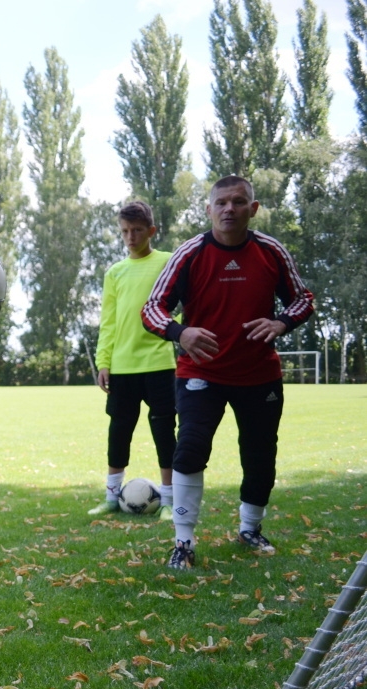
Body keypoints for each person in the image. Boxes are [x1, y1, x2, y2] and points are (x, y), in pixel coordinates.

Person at [142, 175, 314, 570]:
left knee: (259, 454)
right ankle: (183, 542)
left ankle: (250, 528)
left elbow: (303, 299)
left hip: (259, 374)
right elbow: (152, 308)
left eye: (238, 202)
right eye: (221, 202)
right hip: (201, 372)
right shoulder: (189, 253)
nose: (229, 209)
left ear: (253, 209)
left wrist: (281, 322)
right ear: (209, 209)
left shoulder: (271, 251)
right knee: (190, 448)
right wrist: (180, 332)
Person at [89, 201, 176, 520]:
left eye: (137, 230)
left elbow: (183, 306)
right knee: (119, 432)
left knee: (165, 432)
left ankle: (169, 501)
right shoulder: (115, 272)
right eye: (125, 231)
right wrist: (103, 362)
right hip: (122, 367)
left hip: (159, 363)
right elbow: (108, 321)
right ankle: (112, 498)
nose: (131, 237)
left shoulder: (168, 262)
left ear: (151, 231)